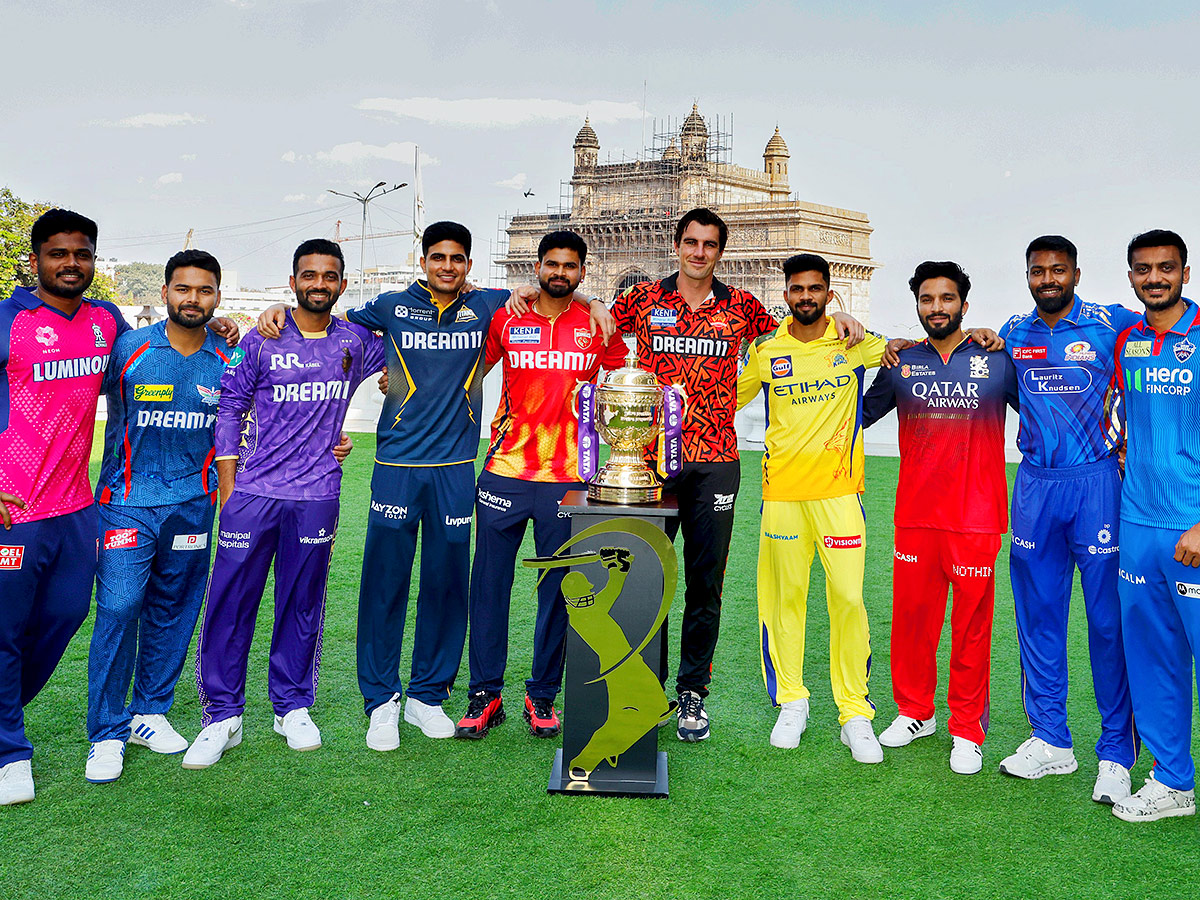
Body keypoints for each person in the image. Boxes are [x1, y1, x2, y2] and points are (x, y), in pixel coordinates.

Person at [306, 221, 614, 750]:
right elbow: (329, 327)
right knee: (386, 585)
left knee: (448, 586)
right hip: (400, 466)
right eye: (438, 257)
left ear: (469, 265)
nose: (447, 266)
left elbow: (555, 295)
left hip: (463, 467)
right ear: (424, 260)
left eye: (457, 259)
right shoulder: (390, 306)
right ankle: (382, 701)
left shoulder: (495, 305)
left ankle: (429, 695)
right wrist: (276, 318)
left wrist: (595, 301)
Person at [611, 208, 864, 742]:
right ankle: (641, 690)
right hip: (650, 460)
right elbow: (597, 322)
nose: (699, 252)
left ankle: (691, 695)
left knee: (706, 584)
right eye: (690, 242)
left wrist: (846, 321)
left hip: (717, 462)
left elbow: (800, 333)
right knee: (645, 578)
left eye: (709, 244)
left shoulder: (744, 308)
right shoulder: (641, 300)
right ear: (676, 245)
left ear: (720, 252)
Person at [182, 239, 382, 769]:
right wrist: (229, 489)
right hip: (253, 494)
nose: (319, 284)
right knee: (230, 603)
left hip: (317, 495)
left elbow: (413, 345)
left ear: (342, 283)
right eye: (309, 275)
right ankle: (221, 715)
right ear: (292, 282)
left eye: (330, 276)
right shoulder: (263, 336)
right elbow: (230, 404)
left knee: (302, 603)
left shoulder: (356, 340)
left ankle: (291, 706)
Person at [454, 231, 626, 740]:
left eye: (569, 266)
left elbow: (623, 390)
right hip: (505, 471)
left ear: (582, 272)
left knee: (559, 591)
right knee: (489, 587)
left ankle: (542, 695)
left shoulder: (596, 324)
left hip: (570, 477)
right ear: (537, 266)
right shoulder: (508, 315)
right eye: (551, 264)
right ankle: (484, 695)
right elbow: (469, 371)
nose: (559, 273)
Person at [998, 235, 1140, 805]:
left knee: (1107, 623)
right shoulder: (1013, 333)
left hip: (1097, 483)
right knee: (1038, 619)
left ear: (1077, 274)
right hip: (1034, 485)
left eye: (1058, 270)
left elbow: (1172, 323)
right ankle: (1052, 741)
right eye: (1038, 271)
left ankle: (1115, 752)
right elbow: (967, 351)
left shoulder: (1110, 324)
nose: (1048, 279)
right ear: (1027, 275)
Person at [862, 261, 1018, 775]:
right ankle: (915, 712)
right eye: (927, 300)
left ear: (964, 306)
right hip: (916, 515)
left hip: (976, 517)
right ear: (918, 306)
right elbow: (854, 414)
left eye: (946, 299)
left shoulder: (996, 359)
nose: (936, 308)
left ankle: (967, 729)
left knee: (972, 627)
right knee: (912, 621)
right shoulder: (900, 363)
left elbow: (1044, 409)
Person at [734, 253, 888, 763]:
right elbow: (723, 399)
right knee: (785, 601)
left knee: (847, 599)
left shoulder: (853, 343)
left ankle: (854, 713)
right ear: (786, 295)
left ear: (829, 293)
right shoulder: (766, 349)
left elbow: (913, 351)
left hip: (841, 495)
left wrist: (976, 333)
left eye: (815, 289)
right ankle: (792, 701)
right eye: (797, 289)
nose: (806, 297)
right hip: (782, 497)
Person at [0, 210, 131, 805]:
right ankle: (10, 751)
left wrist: (225, 332)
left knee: (66, 615)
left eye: (82, 253)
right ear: (37, 261)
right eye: (58, 253)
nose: (71, 263)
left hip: (78, 509)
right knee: (4, 633)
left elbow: (150, 365)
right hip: (13, 510)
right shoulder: (10, 318)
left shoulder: (107, 321)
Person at [85, 250, 231, 782]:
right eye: (183, 289)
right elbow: (70, 394)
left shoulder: (228, 358)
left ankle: (150, 712)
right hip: (126, 501)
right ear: (166, 292)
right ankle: (106, 731)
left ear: (218, 295)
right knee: (121, 607)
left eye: (204, 290)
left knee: (174, 608)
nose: (193, 299)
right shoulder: (128, 347)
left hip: (194, 507)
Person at [1111, 229, 1200, 822]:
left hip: (1193, 527)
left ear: (1186, 274)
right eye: (1143, 270)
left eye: (1165, 268)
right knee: (1153, 656)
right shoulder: (1128, 342)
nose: (1154, 279)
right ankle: (1172, 781)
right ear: (1132, 278)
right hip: (1138, 524)